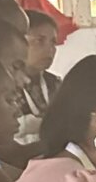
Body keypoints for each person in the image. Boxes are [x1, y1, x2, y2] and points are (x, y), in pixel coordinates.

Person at [16, 10, 62, 144]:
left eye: (53, 42)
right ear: (16, 42)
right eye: (39, 41)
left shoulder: (55, 84)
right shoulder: (3, 84)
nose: (50, 49)